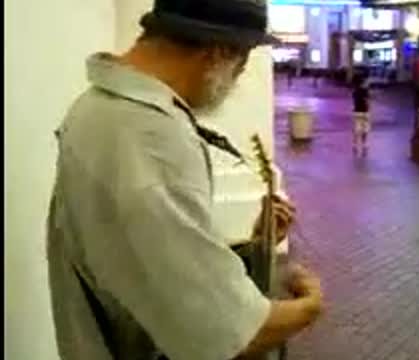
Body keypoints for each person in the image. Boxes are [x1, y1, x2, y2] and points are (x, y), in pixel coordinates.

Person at [45, 1, 324, 360]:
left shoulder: (97, 107)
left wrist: (254, 245)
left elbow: (145, 265)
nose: (237, 79)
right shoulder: (149, 137)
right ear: (220, 52)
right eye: (242, 63)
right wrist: (309, 307)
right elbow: (227, 336)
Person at [352, 74, 371, 156]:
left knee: (357, 129)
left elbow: (354, 101)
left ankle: (355, 145)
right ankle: (364, 145)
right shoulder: (365, 91)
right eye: (365, 82)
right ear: (362, 83)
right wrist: (368, 108)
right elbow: (367, 101)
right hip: (364, 112)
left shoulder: (355, 91)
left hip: (356, 112)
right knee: (365, 130)